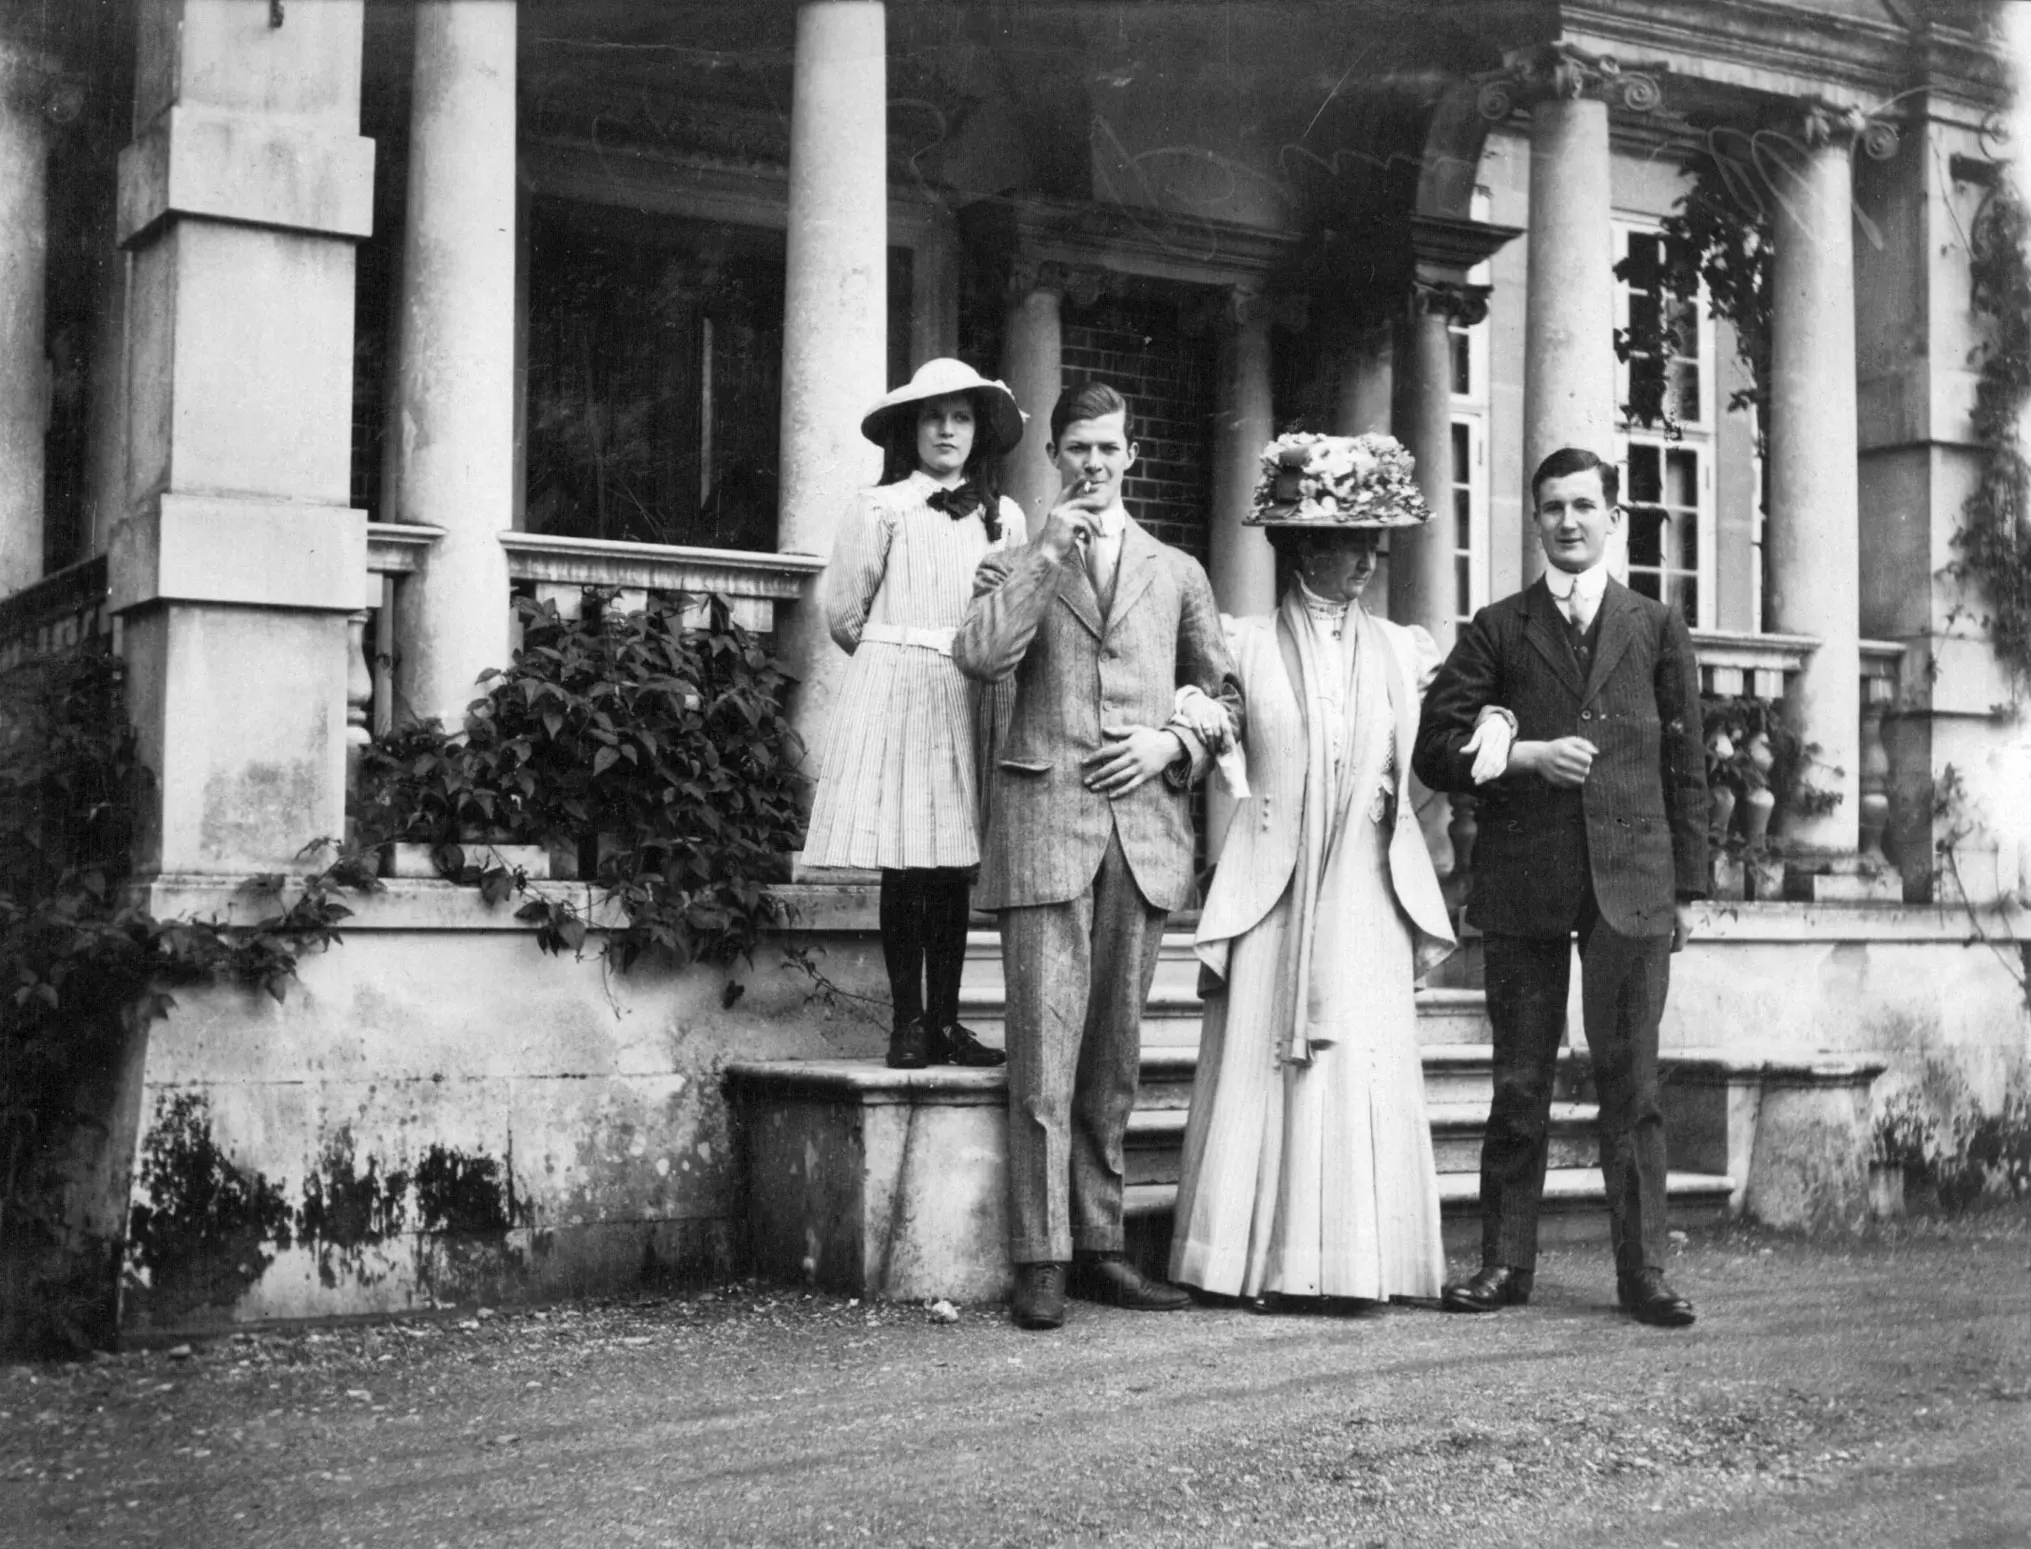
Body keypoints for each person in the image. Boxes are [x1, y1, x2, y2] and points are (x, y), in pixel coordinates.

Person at [955, 381, 1242, 1331]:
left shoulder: (1179, 570)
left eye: (1107, 448)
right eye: (1075, 448)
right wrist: (1043, 553)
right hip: (1045, 823)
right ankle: (1041, 1257)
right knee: (1042, 1056)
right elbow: (982, 656)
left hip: (1145, 832)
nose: (1092, 463)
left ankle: (1100, 1244)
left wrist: (1175, 743)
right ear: (1054, 458)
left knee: (1112, 1059)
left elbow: (1224, 694)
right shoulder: (1010, 559)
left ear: (1132, 455)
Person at [1412, 446, 1709, 1328]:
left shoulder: (1654, 627)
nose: (1568, 522)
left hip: (1632, 885)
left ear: (1612, 517)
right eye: (1552, 508)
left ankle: (1642, 1273)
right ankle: (1504, 1263)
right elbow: (1435, 746)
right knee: (1518, 1084)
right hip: (1525, 883)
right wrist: (1524, 756)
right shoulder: (1499, 628)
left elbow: (1684, 766)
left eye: (1584, 506)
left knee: (1633, 1086)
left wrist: (1686, 892)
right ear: (1534, 520)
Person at [1169, 441, 1457, 1309]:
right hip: (1273, 885)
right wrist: (1192, 721)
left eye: (1375, 540)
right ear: (1298, 546)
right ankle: (1252, 1261)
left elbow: (1457, 722)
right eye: (1347, 540)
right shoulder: (1243, 646)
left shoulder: (1407, 651)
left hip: (1368, 886)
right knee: (1269, 1062)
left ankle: (1358, 1266)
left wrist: (1501, 715)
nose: (1367, 558)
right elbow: (1211, 722)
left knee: (1355, 1065)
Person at [803, 358, 1028, 1071]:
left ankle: (947, 1022)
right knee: (905, 860)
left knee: (952, 863)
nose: (946, 430)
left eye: (960, 417)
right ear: (911, 429)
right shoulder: (881, 507)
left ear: (977, 432)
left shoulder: (1006, 516)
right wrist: (899, 656)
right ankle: (906, 1020)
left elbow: (1015, 611)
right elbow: (844, 614)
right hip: (902, 682)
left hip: (970, 689)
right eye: (932, 417)